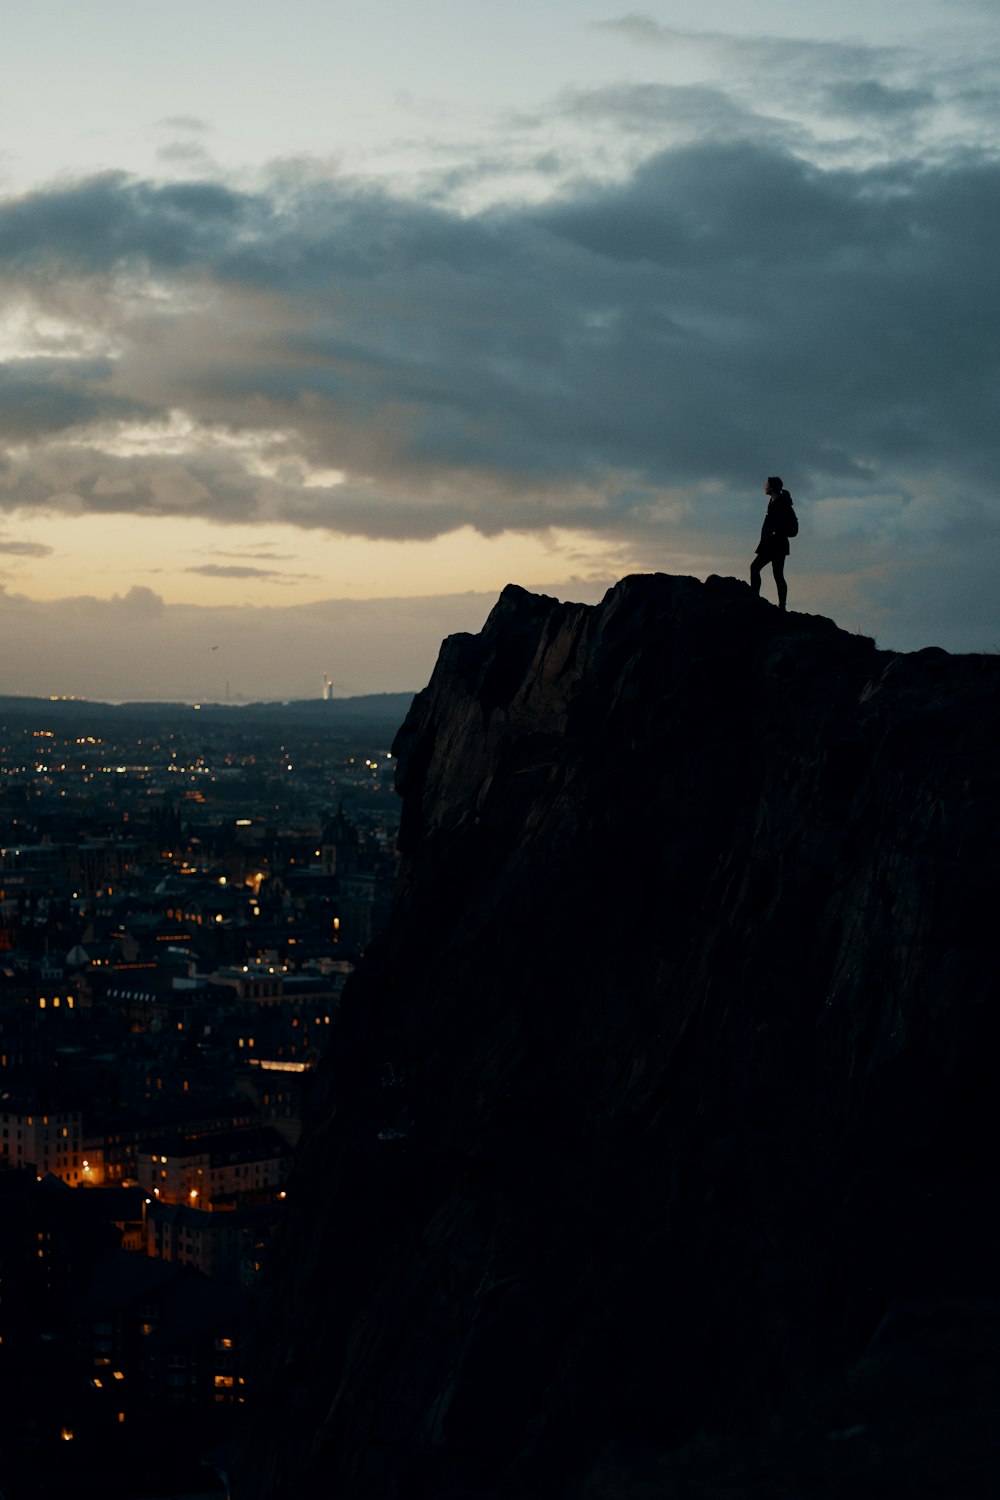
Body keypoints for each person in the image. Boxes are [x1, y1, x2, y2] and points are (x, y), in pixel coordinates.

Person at [750, 476, 796, 610]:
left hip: (776, 544)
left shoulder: (782, 504)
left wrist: (776, 533)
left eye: (766, 484)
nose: (764, 486)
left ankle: (757, 598)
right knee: (777, 574)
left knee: (757, 568)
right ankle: (780, 605)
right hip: (772, 544)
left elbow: (791, 527)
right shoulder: (773, 501)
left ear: (772, 487)